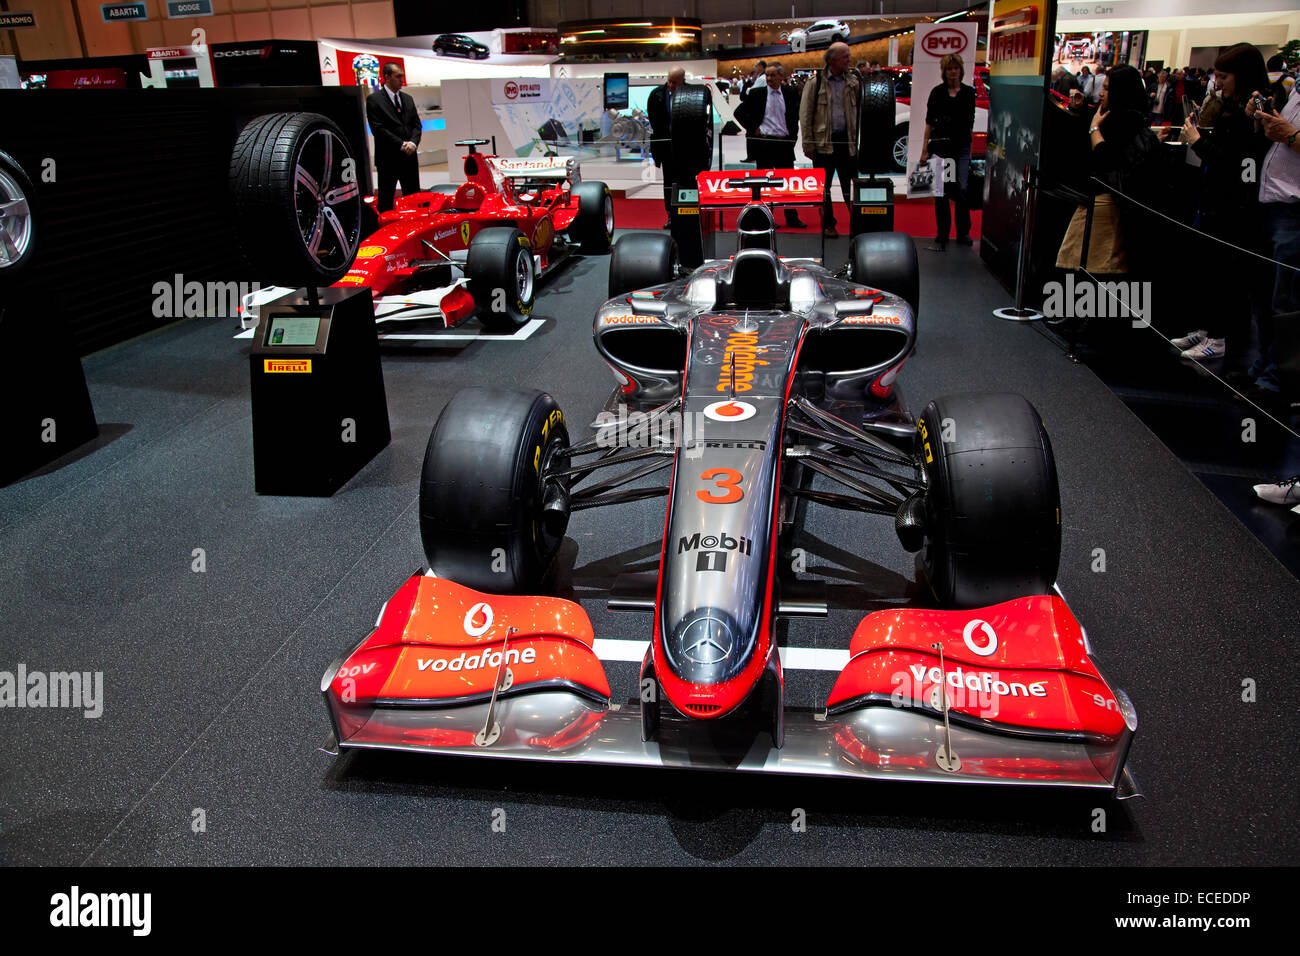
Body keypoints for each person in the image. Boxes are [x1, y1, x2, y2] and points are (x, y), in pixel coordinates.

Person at [1171, 43, 1273, 362]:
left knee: (1227, 278)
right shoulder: (1227, 107)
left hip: (1235, 210)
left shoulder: (1254, 112)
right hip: (1212, 203)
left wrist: (1199, 143)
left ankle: (1220, 336)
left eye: (1223, 77)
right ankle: (1207, 329)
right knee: (1208, 273)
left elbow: (1239, 166)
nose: (1218, 83)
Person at [800, 41, 861, 237]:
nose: (849, 60)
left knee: (850, 186)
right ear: (832, 60)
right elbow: (806, 114)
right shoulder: (815, 83)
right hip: (823, 144)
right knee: (824, 189)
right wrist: (808, 143)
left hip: (847, 143)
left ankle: (857, 222)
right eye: (845, 56)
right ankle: (828, 225)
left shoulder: (853, 82)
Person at [735, 64, 806, 228]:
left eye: (773, 75)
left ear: (781, 76)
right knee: (764, 184)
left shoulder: (790, 93)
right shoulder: (756, 93)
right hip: (764, 145)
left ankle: (792, 217)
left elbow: (794, 117)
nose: (769, 79)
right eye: (767, 75)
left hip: (783, 144)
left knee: (787, 184)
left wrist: (792, 137)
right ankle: (767, 218)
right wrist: (753, 128)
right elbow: (738, 113)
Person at [919, 53, 977, 250]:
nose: (954, 72)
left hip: (961, 147)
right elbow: (929, 124)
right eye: (950, 68)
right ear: (944, 71)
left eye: (956, 68)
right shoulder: (937, 93)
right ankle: (942, 232)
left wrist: (970, 151)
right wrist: (924, 150)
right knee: (941, 192)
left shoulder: (969, 93)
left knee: (962, 189)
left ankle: (963, 232)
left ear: (961, 70)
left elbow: (970, 123)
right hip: (942, 148)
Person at [365, 63, 421, 213]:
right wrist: (402, 144)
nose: (401, 80)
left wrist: (413, 144)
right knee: (386, 200)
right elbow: (378, 129)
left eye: (402, 76)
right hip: (388, 159)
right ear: (387, 77)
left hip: (409, 157)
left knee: (414, 198)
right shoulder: (374, 100)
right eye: (398, 76)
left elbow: (417, 125)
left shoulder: (408, 99)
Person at [648, 66, 695, 227]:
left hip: (687, 148)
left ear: (683, 80)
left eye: (675, 82)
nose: (671, 85)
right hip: (666, 148)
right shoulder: (656, 95)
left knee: (687, 181)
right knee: (668, 182)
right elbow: (654, 122)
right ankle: (670, 215)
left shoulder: (692, 93)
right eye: (669, 81)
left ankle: (688, 213)